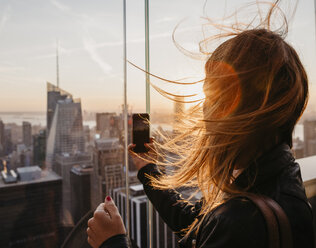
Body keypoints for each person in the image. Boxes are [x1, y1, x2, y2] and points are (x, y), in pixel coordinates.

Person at [86, 5, 315, 248]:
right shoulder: (273, 179)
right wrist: (148, 169)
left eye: (213, 95)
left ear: (240, 111)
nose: (205, 109)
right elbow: (194, 222)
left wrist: (113, 243)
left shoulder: (241, 221)